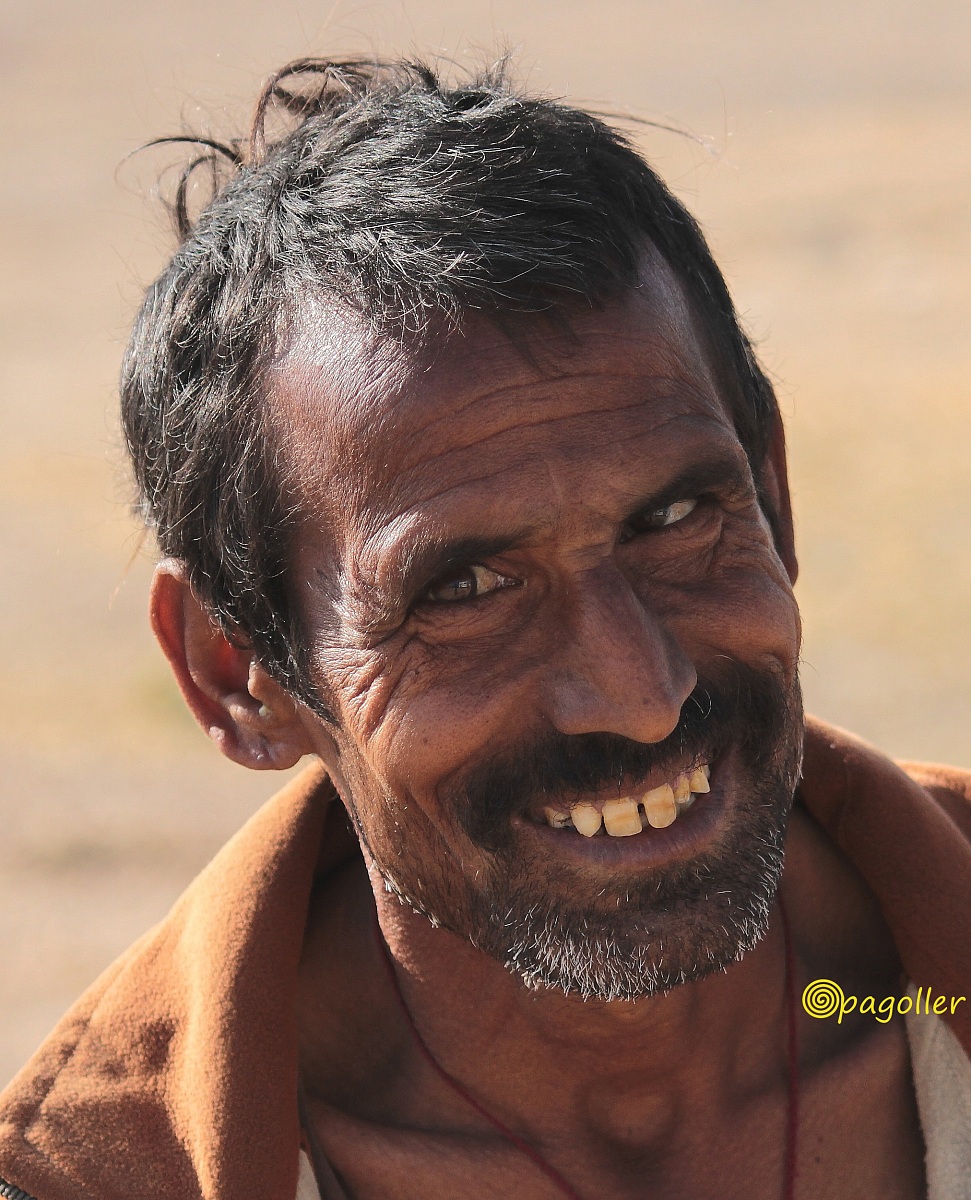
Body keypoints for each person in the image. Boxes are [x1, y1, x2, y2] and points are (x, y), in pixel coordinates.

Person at [1, 57, 969, 1200]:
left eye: (671, 519)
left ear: (772, 501)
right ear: (234, 673)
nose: (637, 692)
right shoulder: (106, 1177)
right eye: (462, 590)